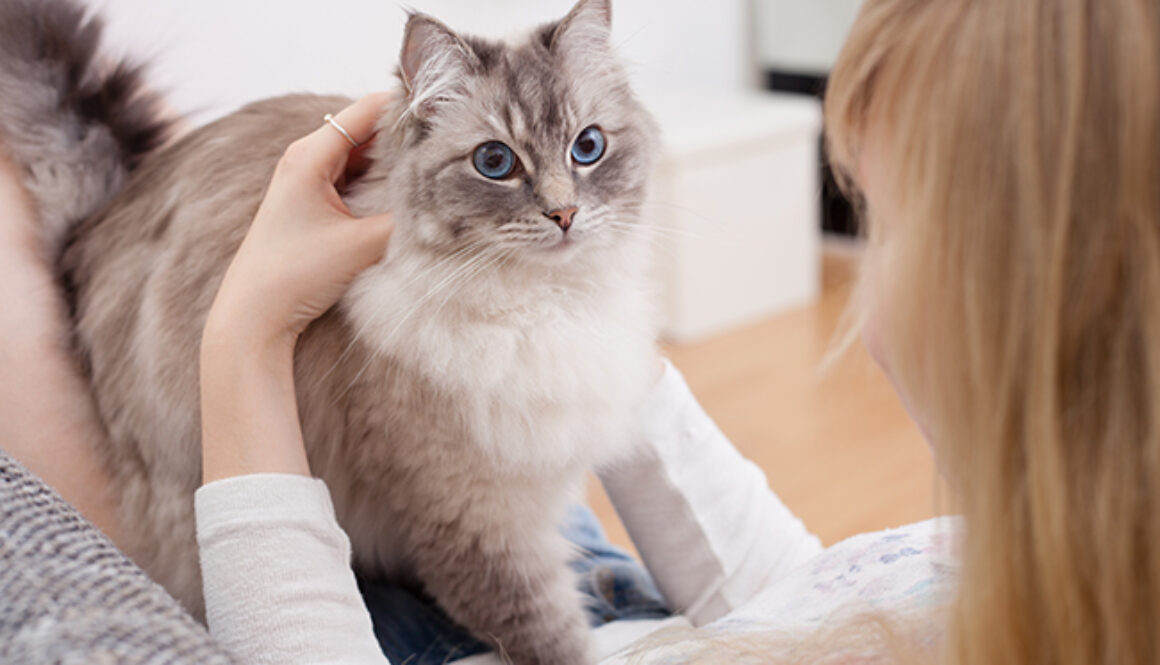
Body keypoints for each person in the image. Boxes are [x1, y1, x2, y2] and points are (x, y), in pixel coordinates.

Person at [2, 1, 1157, 664]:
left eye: (882, 215)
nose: (560, 199)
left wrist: (247, 329)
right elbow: (795, 591)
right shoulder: (983, 575)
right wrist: (586, 320)